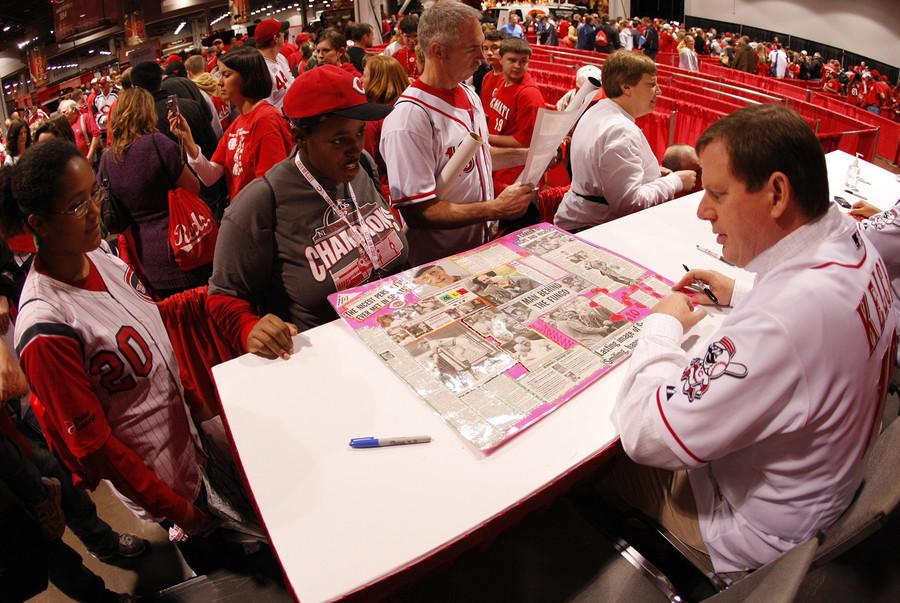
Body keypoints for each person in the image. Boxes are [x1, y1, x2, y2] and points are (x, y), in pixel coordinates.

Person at [608, 104, 896, 575]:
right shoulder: (853, 240)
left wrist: (661, 324)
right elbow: (810, 309)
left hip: (751, 534)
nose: (703, 209)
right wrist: (740, 289)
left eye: (718, 194)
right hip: (824, 490)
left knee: (593, 462)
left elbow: (646, 433)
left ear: (778, 193)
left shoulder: (785, 320)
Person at [3, 140, 215, 550]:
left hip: (193, 442)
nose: (95, 211)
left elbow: (154, 335)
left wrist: (201, 410)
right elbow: (97, 447)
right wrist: (178, 510)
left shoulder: (99, 251)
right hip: (162, 479)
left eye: (93, 194)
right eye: (76, 205)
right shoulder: (45, 324)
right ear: (39, 224)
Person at [206, 65, 409, 358]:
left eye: (360, 132)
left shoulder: (361, 165)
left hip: (397, 334)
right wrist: (249, 327)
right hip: (327, 361)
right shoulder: (262, 201)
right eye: (339, 140)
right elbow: (224, 296)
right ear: (300, 137)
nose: (355, 147)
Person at [380, 1, 533, 266]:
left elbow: (478, 159)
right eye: (473, 48)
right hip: (437, 263)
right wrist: (496, 208)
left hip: (476, 249)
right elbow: (418, 211)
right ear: (439, 51)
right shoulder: (408, 118)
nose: (483, 57)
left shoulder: (469, 94)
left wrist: (528, 156)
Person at [555, 51, 695, 232]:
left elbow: (602, 167)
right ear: (626, 87)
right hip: (593, 229)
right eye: (651, 84)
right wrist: (676, 181)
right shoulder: (620, 130)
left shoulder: (598, 111)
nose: (658, 91)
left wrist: (644, 171)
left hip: (582, 220)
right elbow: (629, 204)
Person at [99, 88, 206, 297]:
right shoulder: (158, 143)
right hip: (185, 243)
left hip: (145, 256)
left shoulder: (107, 159)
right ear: (146, 112)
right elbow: (194, 187)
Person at [169, 47, 293, 203]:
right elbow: (210, 176)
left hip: (260, 218)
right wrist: (189, 143)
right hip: (245, 215)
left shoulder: (266, 120)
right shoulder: (238, 123)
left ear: (248, 78)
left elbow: (273, 188)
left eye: (226, 75)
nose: (220, 82)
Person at [485, 37, 545, 191]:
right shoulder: (501, 81)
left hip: (515, 172)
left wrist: (484, 137)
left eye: (523, 61)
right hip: (497, 163)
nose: (518, 66)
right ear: (501, 59)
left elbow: (525, 142)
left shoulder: (529, 94)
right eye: (512, 60)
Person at [130, 62, 218, 162]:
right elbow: (213, 142)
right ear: (160, 78)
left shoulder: (143, 123)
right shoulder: (192, 105)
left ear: (136, 88)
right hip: (210, 168)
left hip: (184, 175)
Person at [361, 55, 409, 200]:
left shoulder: (371, 119)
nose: (361, 80)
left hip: (386, 195)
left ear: (378, 81)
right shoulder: (411, 109)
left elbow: (366, 165)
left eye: (364, 75)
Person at [254, 18, 294, 112]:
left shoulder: (280, 57)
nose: (284, 34)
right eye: (282, 32)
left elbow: (291, 82)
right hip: (280, 119)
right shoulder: (259, 69)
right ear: (276, 38)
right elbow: (266, 109)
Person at [184, 54, 232, 132]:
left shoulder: (193, 90)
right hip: (229, 123)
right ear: (205, 68)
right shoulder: (218, 81)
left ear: (188, 73)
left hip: (215, 132)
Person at [60, 99, 102, 164]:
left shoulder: (85, 117)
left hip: (93, 160)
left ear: (73, 110)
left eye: (65, 112)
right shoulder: (67, 126)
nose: (63, 116)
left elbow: (96, 135)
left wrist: (89, 156)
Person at [477, 29, 504, 104]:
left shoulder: (511, 79)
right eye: (485, 48)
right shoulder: (486, 77)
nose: (489, 53)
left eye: (495, 48)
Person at [390, 15, 421, 80]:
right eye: (408, 36)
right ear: (401, 35)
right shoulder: (396, 56)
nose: (412, 40)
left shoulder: (427, 55)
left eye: (415, 36)